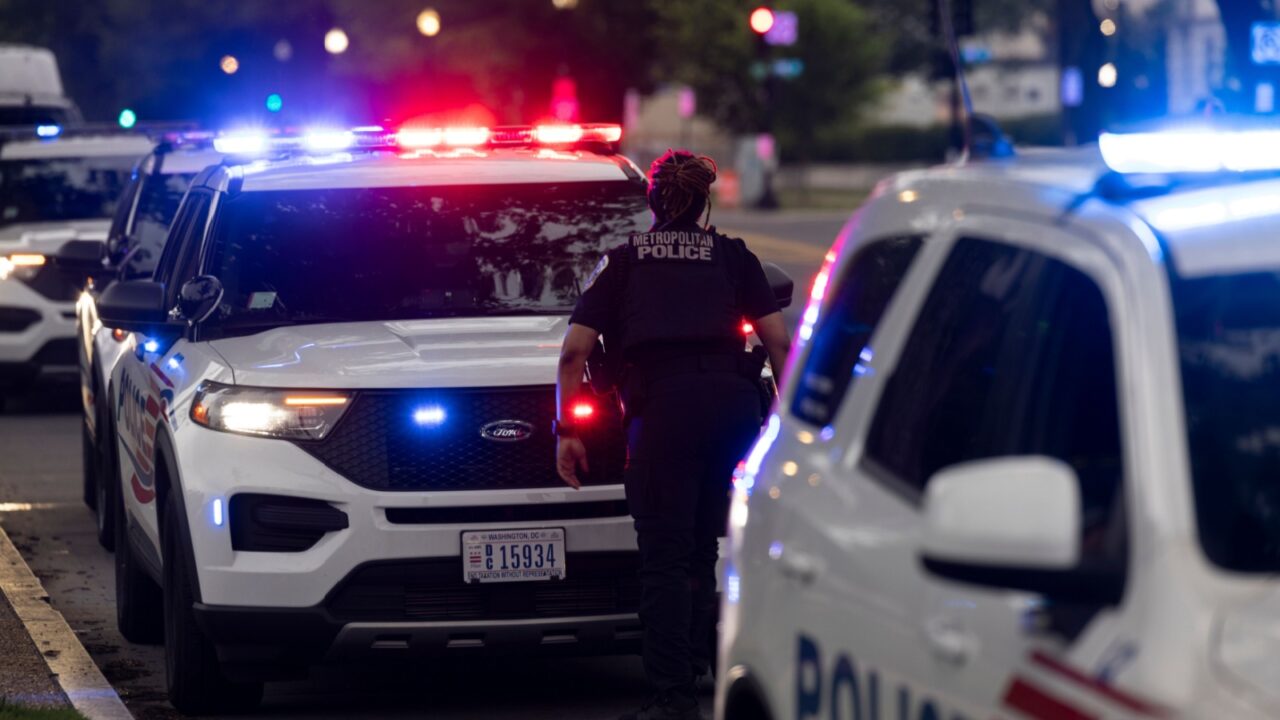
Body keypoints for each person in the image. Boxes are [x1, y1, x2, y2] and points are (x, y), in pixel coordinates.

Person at [554, 150, 791, 720]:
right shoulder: (733, 256)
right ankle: (704, 670)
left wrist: (568, 430)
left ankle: (671, 697)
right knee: (705, 547)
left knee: (663, 557)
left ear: (651, 202)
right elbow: (780, 345)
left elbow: (574, 353)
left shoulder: (625, 262)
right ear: (705, 201)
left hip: (662, 416)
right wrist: (788, 427)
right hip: (733, 412)